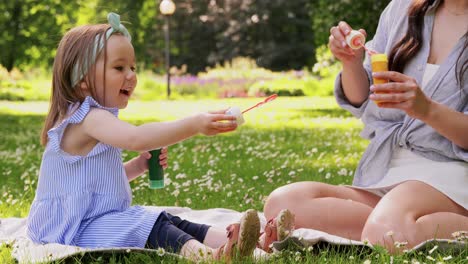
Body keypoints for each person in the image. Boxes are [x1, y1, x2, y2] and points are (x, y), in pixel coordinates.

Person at [26, 13, 261, 262]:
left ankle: (239, 242)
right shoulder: (89, 118)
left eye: (133, 67)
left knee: (164, 219)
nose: (132, 75)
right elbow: (137, 137)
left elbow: (93, 182)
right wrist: (194, 124)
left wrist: (137, 166)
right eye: (119, 68)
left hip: (88, 220)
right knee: (145, 224)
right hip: (71, 230)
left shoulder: (96, 118)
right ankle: (211, 256)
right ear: (83, 80)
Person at [262, 0, 468, 253]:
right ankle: (390, 226)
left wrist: (427, 110)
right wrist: (351, 63)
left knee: (388, 231)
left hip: (451, 172)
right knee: (284, 203)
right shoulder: (401, 9)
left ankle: (389, 226)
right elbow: (361, 97)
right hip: (387, 170)